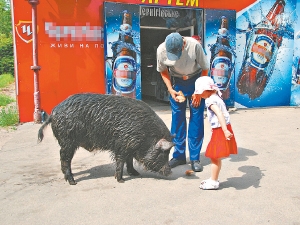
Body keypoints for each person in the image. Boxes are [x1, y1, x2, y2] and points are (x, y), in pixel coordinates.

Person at [156, 32, 209, 172]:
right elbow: (163, 71)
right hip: (177, 82)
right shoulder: (161, 50)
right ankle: (178, 156)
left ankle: (194, 157)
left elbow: (205, 69)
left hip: (196, 80)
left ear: (183, 45)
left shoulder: (194, 46)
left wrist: (198, 91)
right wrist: (170, 89)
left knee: (196, 119)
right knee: (177, 119)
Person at [193, 76, 238, 190]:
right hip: (222, 128)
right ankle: (214, 178)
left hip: (220, 130)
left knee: (214, 156)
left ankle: (213, 181)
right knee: (216, 157)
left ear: (206, 90)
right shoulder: (216, 97)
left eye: (200, 92)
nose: (200, 95)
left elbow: (219, 114)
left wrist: (224, 130)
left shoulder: (210, 100)